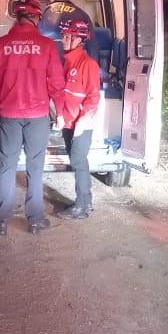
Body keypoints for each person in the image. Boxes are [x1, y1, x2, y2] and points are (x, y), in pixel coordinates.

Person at [0, 0, 66, 235]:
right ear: (36, 17)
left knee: (6, 167)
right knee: (35, 168)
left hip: (8, 116)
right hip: (38, 117)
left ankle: (1, 221)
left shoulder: (0, 46)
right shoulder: (47, 46)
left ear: (17, 18)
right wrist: (59, 112)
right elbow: (56, 84)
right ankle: (35, 220)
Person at [57, 19, 101, 220]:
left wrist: (82, 123)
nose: (63, 39)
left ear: (79, 40)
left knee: (78, 161)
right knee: (75, 161)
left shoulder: (88, 64)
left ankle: (83, 205)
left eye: (68, 37)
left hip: (80, 125)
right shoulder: (67, 62)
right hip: (68, 122)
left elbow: (93, 97)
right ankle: (83, 202)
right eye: (64, 35)